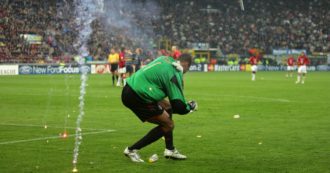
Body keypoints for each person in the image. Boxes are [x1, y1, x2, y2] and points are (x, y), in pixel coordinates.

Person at [121, 53, 197, 162]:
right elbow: (179, 106)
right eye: (188, 68)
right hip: (138, 95)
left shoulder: (165, 58)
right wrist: (190, 106)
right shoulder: (175, 73)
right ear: (185, 64)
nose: (186, 72)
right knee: (168, 125)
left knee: (167, 107)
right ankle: (131, 150)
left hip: (131, 88)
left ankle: (169, 149)